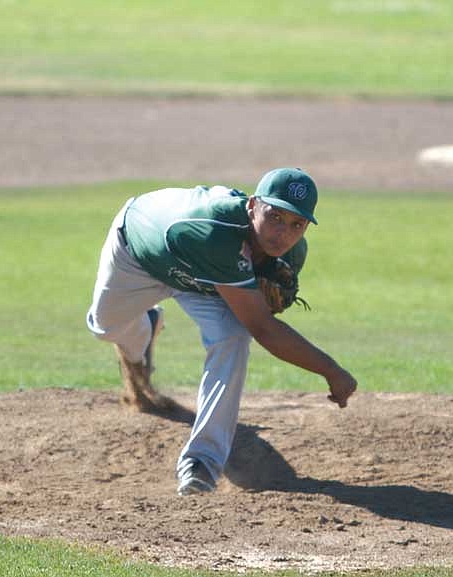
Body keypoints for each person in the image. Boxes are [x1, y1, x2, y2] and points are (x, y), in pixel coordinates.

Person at [86, 168, 357, 496]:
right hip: (139, 256)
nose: (283, 233)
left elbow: (258, 316)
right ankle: (148, 326)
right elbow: (265, 328)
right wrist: (331, 370)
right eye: (275, 216)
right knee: (105, 327)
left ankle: (202, 461)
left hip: (205, 280)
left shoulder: (289, 253)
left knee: (233, 337)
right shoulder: (213, 228)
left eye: (296, 224)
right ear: (253, 205)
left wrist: (256, 296)